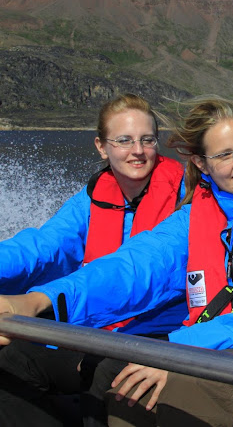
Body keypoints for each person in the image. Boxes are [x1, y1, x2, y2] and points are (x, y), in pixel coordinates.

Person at [0, 96, 233, 426]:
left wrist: (174, 348)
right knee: (113, 386)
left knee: (144, 386)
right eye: (225, 154)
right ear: (201, 163)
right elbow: (132, 267)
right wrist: (40, 300)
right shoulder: (193, 216)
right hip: (199, 344)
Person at [0, 93, 186, 425]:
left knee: (107, 381)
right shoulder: (91, 198)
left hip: (156, 335)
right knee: (11, 362)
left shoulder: (186, 201)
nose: (138, 151)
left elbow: (138, 268)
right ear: (102, 146)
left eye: (147, 140)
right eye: (124, 140)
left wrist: (38, 300)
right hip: (93, 327)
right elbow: (44, 247)